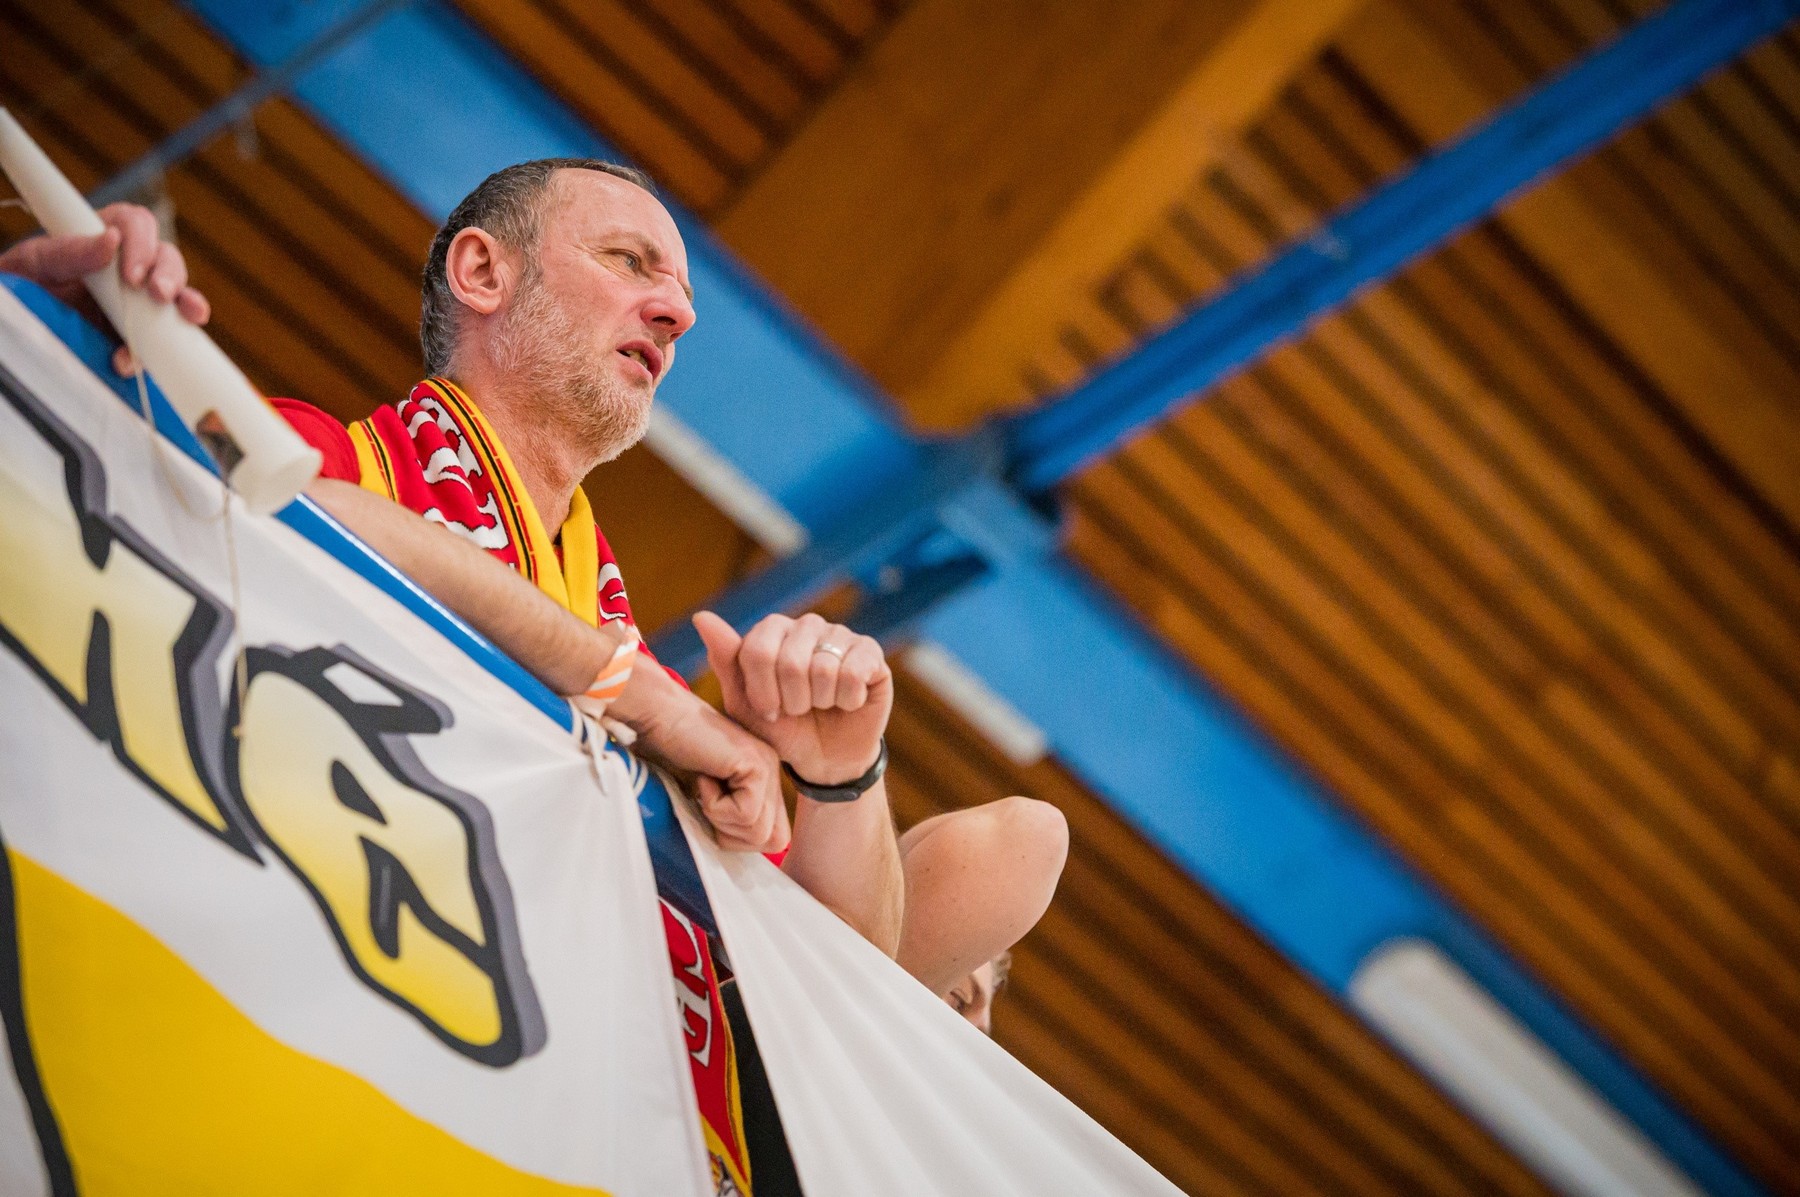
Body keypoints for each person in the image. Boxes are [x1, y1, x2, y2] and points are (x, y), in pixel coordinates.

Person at [2, 170, 1066, 1184]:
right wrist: (625, 689)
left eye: (682, 297)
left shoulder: (664, 716)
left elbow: (833, 1009)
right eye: (629, 261)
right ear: (482, 272)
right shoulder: (356, 470)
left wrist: (842, 775)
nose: (677, 314)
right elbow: (278, 500)